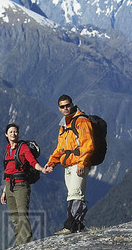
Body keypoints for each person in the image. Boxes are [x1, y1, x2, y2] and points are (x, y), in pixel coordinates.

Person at [39, 94, 95, 234]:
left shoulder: (81, 121)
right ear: (59, 108)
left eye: (67, 105)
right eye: (62, 106)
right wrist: (51, 163)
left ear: (72, 104)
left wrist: (82, 163)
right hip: (68, 165)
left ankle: (70, 226)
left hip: (79, 164)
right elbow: (60, 148)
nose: (65, 108)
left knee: (76, 194)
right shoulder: (64, 125)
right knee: (72, 194)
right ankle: (79, 227)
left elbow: (88, 145)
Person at [0, 122, 38, 245]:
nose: (13, 134)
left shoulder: (23, 148)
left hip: (21, 186)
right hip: (9, 186)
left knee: (22, 215)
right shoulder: (7, 150)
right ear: (6, 134)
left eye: (15, 131)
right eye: (11, 131)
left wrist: (42, 168)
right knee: (15, 217)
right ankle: (19, 242)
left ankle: (26, 242)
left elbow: (32, 161)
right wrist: (4, 191)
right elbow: (7, 171)